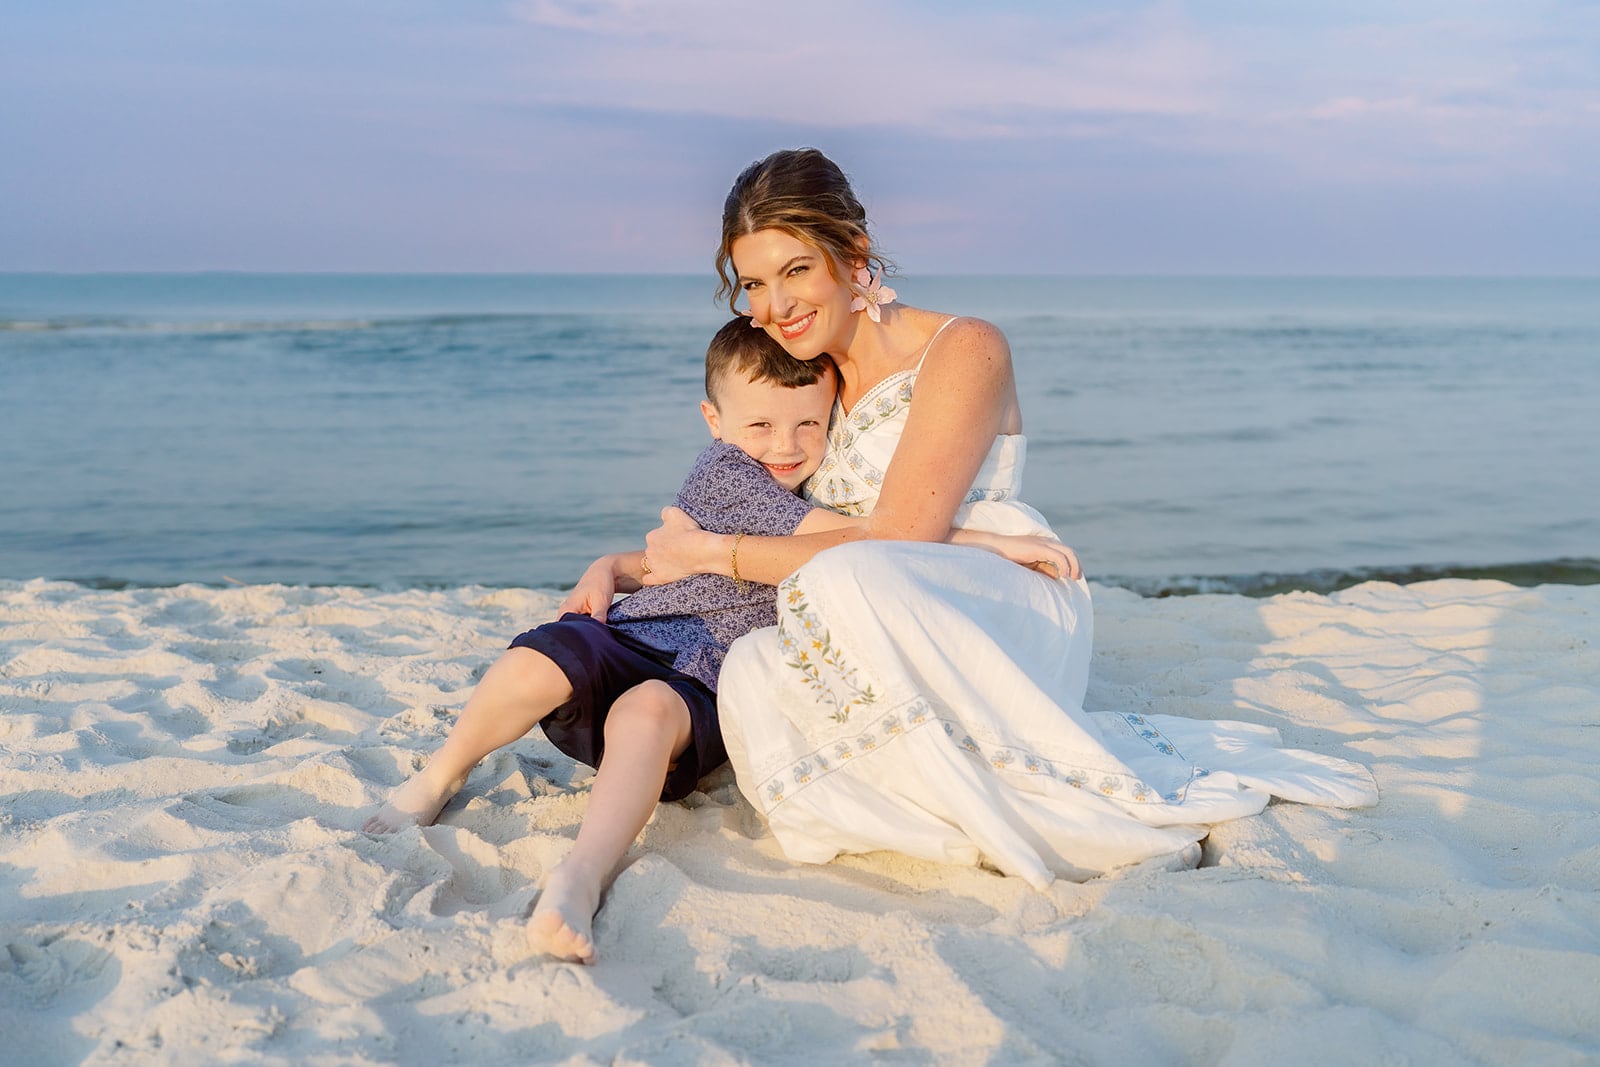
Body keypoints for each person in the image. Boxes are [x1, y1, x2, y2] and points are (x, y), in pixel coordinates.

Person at [637, 148, 1378, 889]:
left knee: (846, 577)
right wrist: (627, 565)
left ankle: (996, 792)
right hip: (867, 599)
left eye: (796, 271)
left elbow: (899, 536)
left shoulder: (963, 347)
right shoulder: (807, 378)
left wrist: (710, 554)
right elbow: (769, 512)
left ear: (851, 254)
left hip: (994, 586)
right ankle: (911, 802)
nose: (773, 307)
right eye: (754, 284)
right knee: (755, 665)